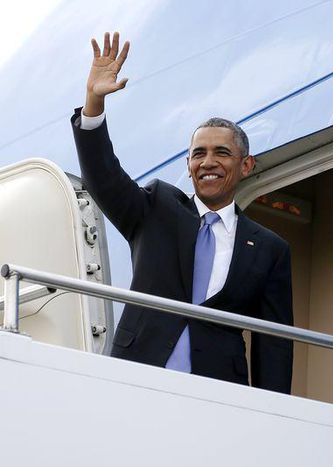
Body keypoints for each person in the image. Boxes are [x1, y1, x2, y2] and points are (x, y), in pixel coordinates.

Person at [71, 32, 293, 393]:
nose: (208, 162)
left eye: (221, 153)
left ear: (246, 165)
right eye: (198, 153)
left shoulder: (269, 248)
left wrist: (277, 416)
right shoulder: (157, 209)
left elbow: (275, 345)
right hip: (136, 379)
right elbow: (103, 177)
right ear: (189, 165)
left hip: (218, 392)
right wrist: (94, 102)